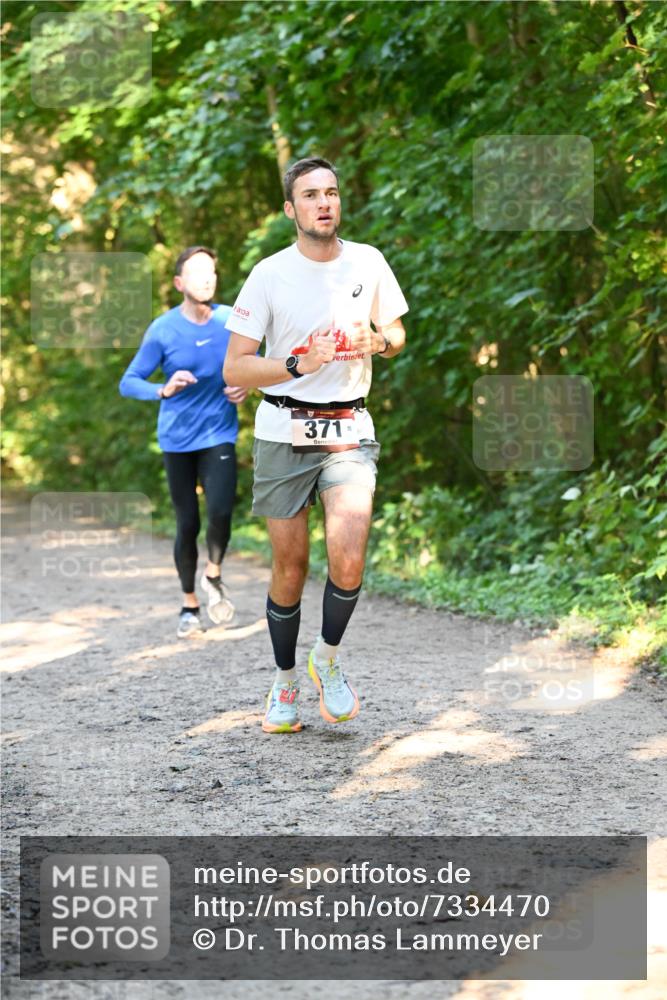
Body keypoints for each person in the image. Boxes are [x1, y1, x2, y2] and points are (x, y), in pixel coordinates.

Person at [224, 157, 408, 733]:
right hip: (283, 429)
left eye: (330, 192)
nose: (323, 202)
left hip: (350, 427)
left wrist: (377, 342)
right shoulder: (269, 274)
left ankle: (326, 658)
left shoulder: (368, 261)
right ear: (290, 209)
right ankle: (284, 680)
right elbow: (236, 367)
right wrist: (296, 363)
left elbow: (397, 333)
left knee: (349, 558)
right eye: (310, 195)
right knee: (291, 566)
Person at [119, 246, 247, 637]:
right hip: (177, 439)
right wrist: (163, 389)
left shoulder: (231, 320)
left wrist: (247, 385)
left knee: (221, 511)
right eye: (196, 272)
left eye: (211, 271)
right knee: (187, 522)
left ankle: (214, 574)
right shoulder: (163, 329)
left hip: (219, 433)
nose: (207, 278)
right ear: (179, 283)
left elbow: (258, 363)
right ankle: (189, 605)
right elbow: (128, 382)